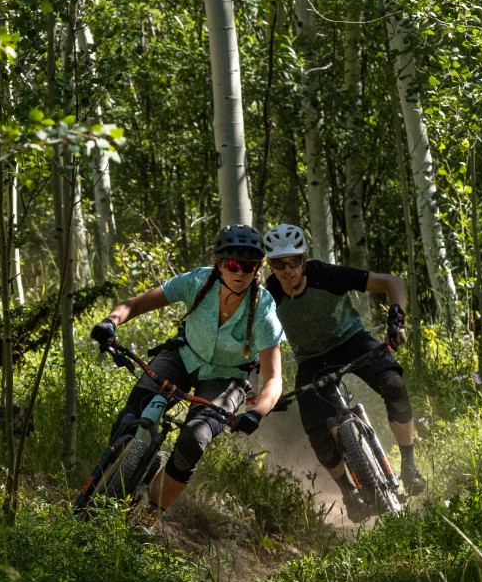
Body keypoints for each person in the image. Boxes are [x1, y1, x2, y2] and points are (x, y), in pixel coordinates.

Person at [91, 224, 285, 523]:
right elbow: (136, 303)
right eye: (232, 263)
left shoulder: (263, 311)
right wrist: (110, 322)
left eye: (249, 265)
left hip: (226, 377)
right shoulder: (196, 281)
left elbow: (273, 380)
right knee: (132, 414)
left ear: (258, 267)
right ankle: (101, 485)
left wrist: (256, 413)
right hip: (182, 355)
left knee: (194, 439)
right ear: (220, 263)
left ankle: (147, 519)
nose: (240, 272)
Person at [259, 224, 424, 506]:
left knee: (393, 385)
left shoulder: (326, 275)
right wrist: (267, 392)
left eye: (295, 261)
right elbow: (256, 338)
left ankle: (409, 464)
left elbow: (392, 282)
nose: (288, 270)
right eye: (278, 263)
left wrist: (396, 321)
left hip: (351, 341)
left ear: (304, 259)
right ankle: (348, 492)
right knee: (315, 428)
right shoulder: (268, 295)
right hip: (310, 360)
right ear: (269, 265)